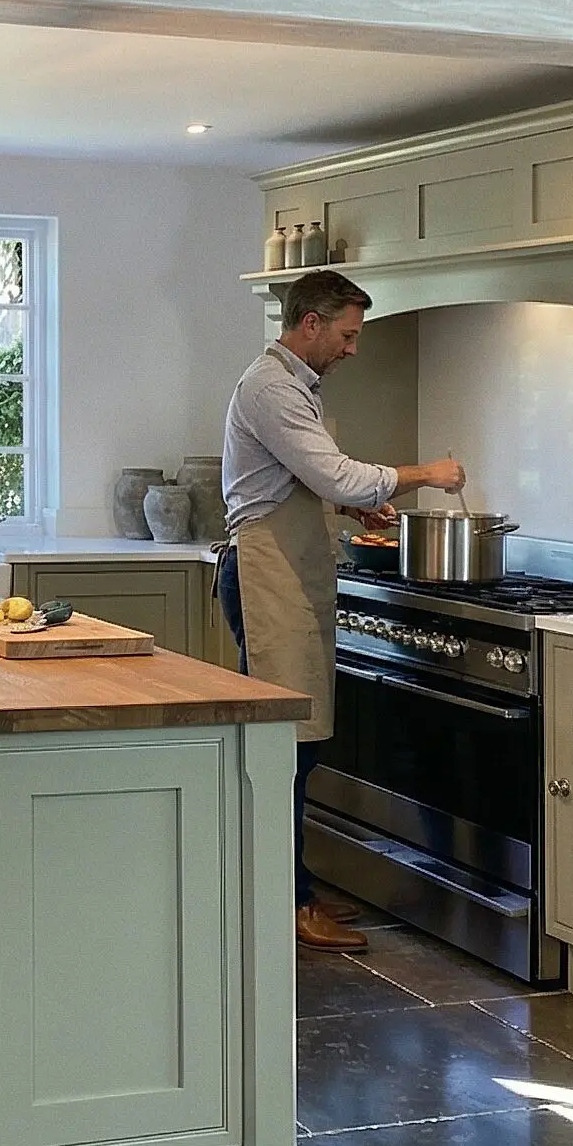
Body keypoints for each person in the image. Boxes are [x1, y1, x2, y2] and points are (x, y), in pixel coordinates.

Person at [216, 271, 463, 952]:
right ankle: (284, 904)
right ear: (312, 323)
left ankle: (288, 889)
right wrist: (424, 474)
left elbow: (307, 477)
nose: (354, 348)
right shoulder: (272, 387)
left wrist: (349, 505)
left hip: (292, 576)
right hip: (266, 577)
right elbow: (333, 472)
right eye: (349, 334)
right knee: (285, 749)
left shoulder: (297, 387)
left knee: (302, 743)